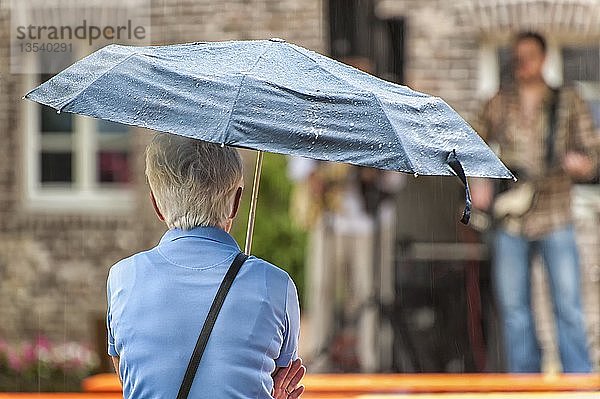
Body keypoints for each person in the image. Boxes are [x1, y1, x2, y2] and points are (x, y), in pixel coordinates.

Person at [106, 133, 305, 398]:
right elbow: (278, 377)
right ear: (235, 202)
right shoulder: (277, 285)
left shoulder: (122, 278)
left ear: (156, 204)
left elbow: (131, 376)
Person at [472, 32, 597, 373]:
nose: (521, 62)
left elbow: (592, 154)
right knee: (514, 312)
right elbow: (471, 144)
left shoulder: (567, 100)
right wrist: (478, 181)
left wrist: (582, 164)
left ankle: (578, 383)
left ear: (543, 58)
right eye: (516, 55)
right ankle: (524, 383)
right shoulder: (498, 100)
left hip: (555, 213)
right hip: (510, 219)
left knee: (568, 307)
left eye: (528, 55)